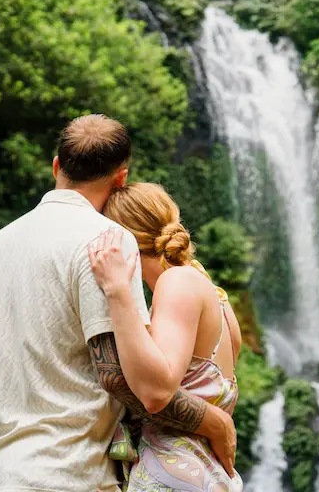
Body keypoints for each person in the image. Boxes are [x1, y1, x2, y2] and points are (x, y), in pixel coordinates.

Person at [0, 115, 236, 492]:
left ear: (57, 166)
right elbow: (119, 376)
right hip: (67, 474)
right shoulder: (108, 241)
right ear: (121, 177)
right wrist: (211, 420)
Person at [89, 183, 244, 492]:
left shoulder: (177, 283)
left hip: (173, 476)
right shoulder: (213, 293)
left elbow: (156, 391)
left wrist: (117, 291)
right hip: (205, 473)